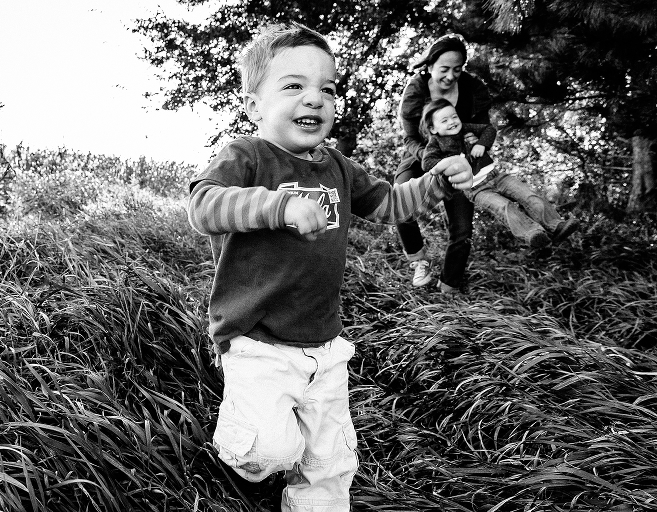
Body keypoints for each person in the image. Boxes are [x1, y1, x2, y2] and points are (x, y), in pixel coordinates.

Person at [187, 23, 473, 512]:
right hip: (256, 339)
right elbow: (203, 205)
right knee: (269, 451)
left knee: (332, 460)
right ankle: (249, 441)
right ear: (254, 105)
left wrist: (436, 185)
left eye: (328, 88)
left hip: (324, 340)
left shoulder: (338, 167)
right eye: (294, 85)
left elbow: (388, 202)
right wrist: (276, 206)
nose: (315, 99)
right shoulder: (247, 155)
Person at [394, 33, 490, 294]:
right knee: (400, 199)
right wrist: (432, 160)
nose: (450, 76)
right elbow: (410, 138)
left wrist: (475, 143)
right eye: (444, 69)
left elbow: (484, 129)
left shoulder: (473, 89)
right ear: (430, 66)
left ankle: (449, 286)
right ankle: (419, 261)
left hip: (461, 159)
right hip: (422, 154)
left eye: (457, 70)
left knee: (462, 228)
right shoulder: (416, 90)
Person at [420, 98, 580, 248]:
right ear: (433, 128)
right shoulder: (435, 144)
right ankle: (532, 234)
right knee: (504, 207)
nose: (452, 122)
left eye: (454, 117)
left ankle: (556, 225)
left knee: (528, 195)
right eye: (444, 120)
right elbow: (427, 163)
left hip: (497, 176)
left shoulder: (467, 129)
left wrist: (482, 144)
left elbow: (489, 129)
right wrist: (450, 163)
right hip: (476, 189)